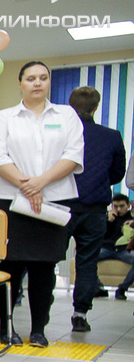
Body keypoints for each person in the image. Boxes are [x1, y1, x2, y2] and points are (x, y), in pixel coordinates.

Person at [0, 61, 84, 347]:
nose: (37, 83)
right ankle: (6, 327)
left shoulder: (66, 115)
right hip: (10, 200)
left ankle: (39, 330)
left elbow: (73, 155)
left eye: (43, 77)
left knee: (44, 268)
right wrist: (28, 187)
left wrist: (39, 183)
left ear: (49, 82)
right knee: (9, 266)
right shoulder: (5, 117)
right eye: (31, 78)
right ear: (20, 83)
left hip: (54, 200)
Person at [66, 86, 127, 331]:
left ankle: (41, 316)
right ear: (96, 107)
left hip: (61, 207)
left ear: (70, 107)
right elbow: (117, 173)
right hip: (95, 209)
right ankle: (80, 315)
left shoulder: (60, 133)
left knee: (50, 259)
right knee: (88, 262)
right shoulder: (112, 136)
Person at [99, 193, 134, 298]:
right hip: (107, 248)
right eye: (116, 206)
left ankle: (122, 289)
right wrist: (109, 222)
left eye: (122, 206)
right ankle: (98, 288)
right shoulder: (107, 217)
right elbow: (100, 234)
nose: (118, 209)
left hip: (124, 250)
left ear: (128, 206)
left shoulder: (131, 219)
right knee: (85, 258)